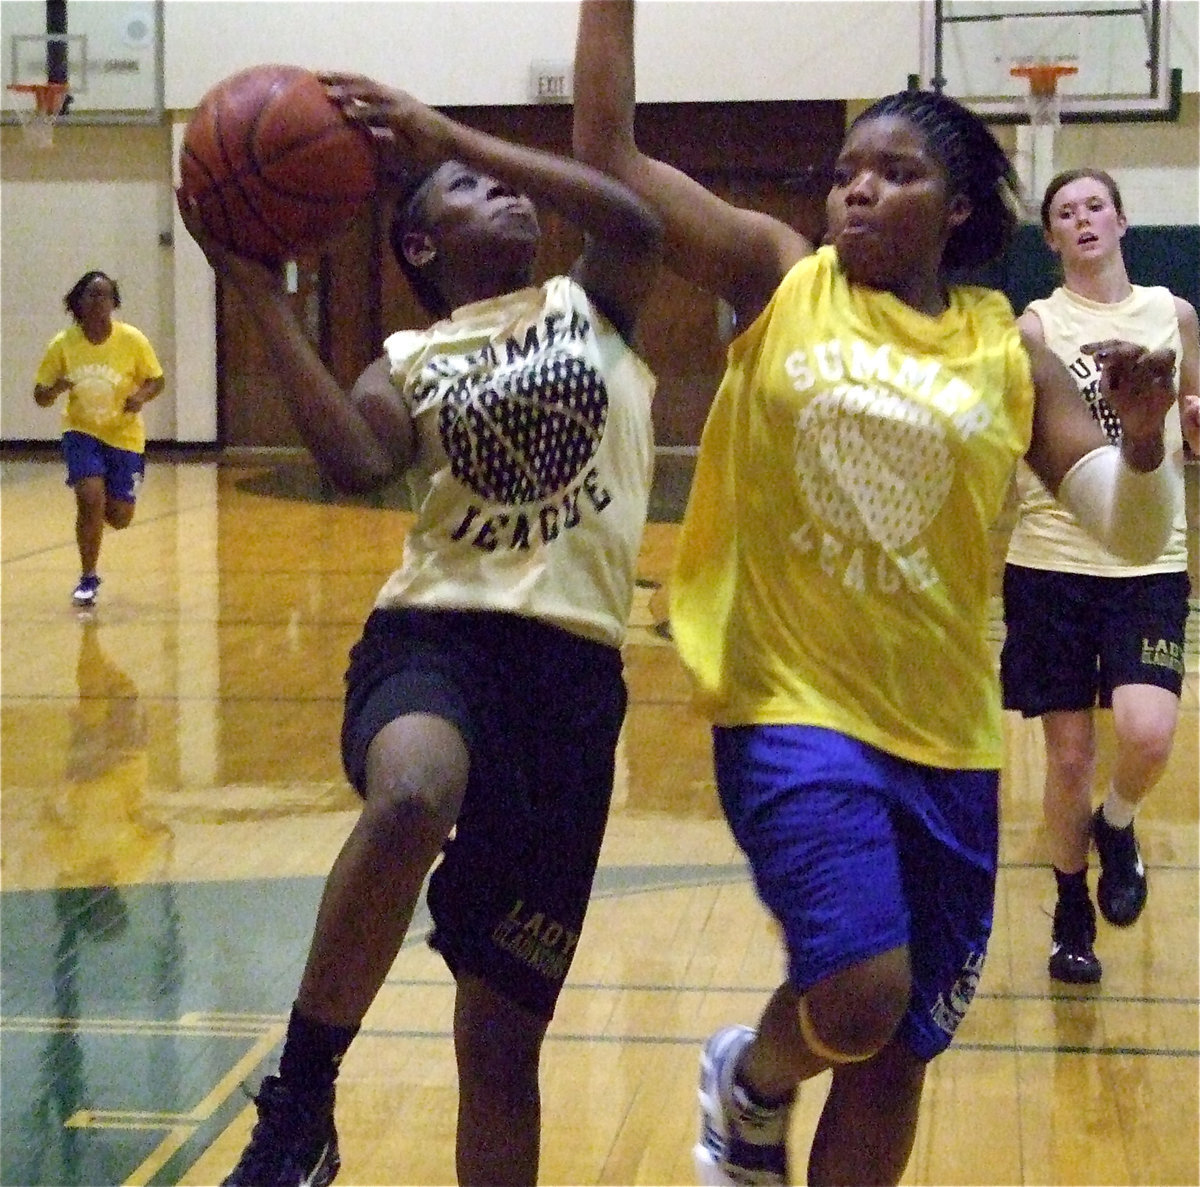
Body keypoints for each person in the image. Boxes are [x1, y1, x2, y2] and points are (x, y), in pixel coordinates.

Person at [571, 4, 1185, 1185]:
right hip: (792, 705)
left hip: (947, 731)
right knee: (858, 993)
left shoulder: (1013, 353)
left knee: (898, 1051)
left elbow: (1122, 520)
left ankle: (762, 1090)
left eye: (893, 174)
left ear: (956, 209)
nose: (855, 191)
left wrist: (1148, 443)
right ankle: (752, 1074)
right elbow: (610, 156)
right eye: (846, 172)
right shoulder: (779, 278)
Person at [179, 71, 662, 1187]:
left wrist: (448, 130)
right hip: (437, 640)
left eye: (506, 182)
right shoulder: (410, 361)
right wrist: (252, 289)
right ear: (420, 245)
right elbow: (355, 458)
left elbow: (632, 216)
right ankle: (301, 1096)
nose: (504, 192)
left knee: (500, 1048)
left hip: (573, 685)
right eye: (467, 185)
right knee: (411, 794)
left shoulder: (595, 303)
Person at [1001, 168, 1200, 985]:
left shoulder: (1173, 314)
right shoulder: (1035, 327)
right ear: (1051, 238)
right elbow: (1024, 434)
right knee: (1070, 756)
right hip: (1052, 559)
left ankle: (1116, 825)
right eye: (1064, 213)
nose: (1082, 219)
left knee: (1148, 731)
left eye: (1094, 206)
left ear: (1121, 220)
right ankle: (1071, 902)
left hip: (1149, 556)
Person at [33, 270, 166, 608]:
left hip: (124, 435)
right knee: (89, 497)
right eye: (91, 295)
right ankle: (88, 577)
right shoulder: (63, 344)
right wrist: (56, 388)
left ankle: (104, 502)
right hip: (82, 432)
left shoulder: (132, 340)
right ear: (79, 301)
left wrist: (141, 397)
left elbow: (156, 380)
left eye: (105, 295)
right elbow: (40, 395)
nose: (98, 301)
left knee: (119, 517)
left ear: (114, 302)